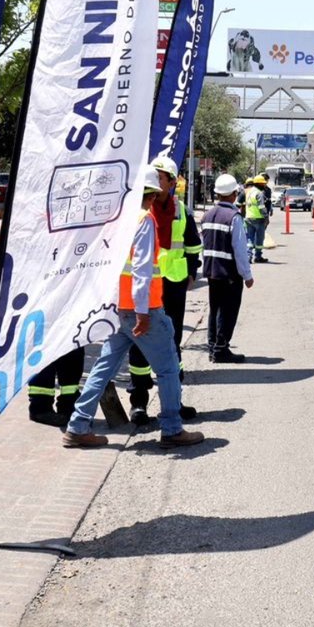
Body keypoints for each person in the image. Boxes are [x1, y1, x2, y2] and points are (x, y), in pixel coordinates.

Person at [64, 164, 204, 449]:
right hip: (144, 310)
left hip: (118, 308)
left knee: (104, 368)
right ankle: (172, 429)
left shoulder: (117, 219)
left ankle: (77, 426)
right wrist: (142, 312)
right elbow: (141, 270)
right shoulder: (144, 220)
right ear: (152, 196)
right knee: (166, 369)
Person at [128, 157, 202, 427]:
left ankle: (175, 402)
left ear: (172, 182)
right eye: (154, 176)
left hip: (174, 285)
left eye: (162, 177)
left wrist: (192, 271)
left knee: (172, 344)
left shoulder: (182, 210)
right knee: (140, 344)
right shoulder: (138, 210)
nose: (157, 181)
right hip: (145, 287)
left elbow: (193, 245)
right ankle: (138, 403)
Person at [201, 174, 254, 364]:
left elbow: (203, 245)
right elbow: (240, 250)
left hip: (212, 272)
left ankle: (213, 347)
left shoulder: (207, 215)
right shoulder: (234, 217)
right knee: (227, 311)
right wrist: (247, 275)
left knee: (214, 309)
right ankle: (221, 349)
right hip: (229, 273)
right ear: (233, 194)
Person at [244, 174, 269, 263]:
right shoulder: (259, 193)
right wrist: (266, 217)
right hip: (258, 219)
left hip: (249, 218)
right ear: (259, 184)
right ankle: (258, 257)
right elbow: (261, 207)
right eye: (263, 184)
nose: (264, 185)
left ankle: (248, 257)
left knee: (250, 238)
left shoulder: (249, 192)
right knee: (259, 239)